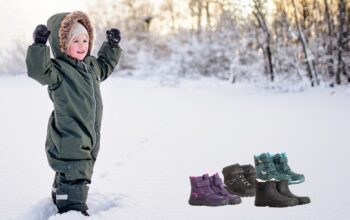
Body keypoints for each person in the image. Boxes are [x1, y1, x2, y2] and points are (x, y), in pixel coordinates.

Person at [25, 11, 122, 216]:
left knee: (76, 167)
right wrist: (39, 47)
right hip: (69, 133)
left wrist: (111, 47)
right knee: (76, 169)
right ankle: (72, 208)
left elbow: (105, 66)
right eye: (75, 40)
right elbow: (38, 71)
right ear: (62, 44)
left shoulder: (91, 66)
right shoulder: (58, 70)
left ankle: (60, 193)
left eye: (85, 40)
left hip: (89, 132)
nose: (82, 45)